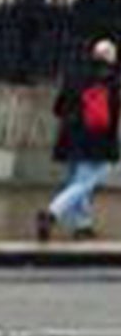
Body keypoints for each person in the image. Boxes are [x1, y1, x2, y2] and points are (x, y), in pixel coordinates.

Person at [37, 38, 119, 241]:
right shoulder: (113, 80)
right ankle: (52, 213)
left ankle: (83, 226)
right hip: (97, 138)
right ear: (111, 57)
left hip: (70, 137)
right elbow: (114, 114)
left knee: (77, 180)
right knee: (86, 182)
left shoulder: (74, 75)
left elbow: (58, 108)